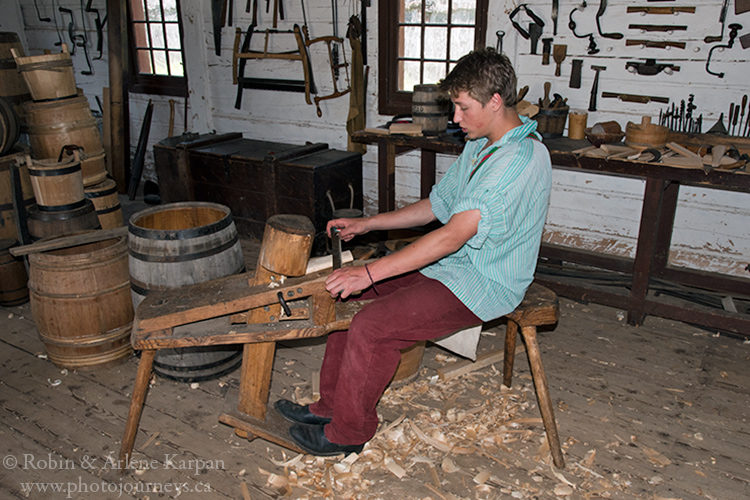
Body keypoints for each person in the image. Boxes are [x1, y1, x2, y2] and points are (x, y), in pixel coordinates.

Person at [275, 47, 552, 456]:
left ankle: (349, 433)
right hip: (455, 266)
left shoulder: (518, 160)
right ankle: (330, 407)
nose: (455, 118)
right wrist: (368, 223)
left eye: (461, 107)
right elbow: (438, 206)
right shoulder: (484, 143)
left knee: (372, 327)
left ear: (495, 102)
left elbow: (450, 235)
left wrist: (369, 271)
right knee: (349, 299)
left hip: (486, 282)